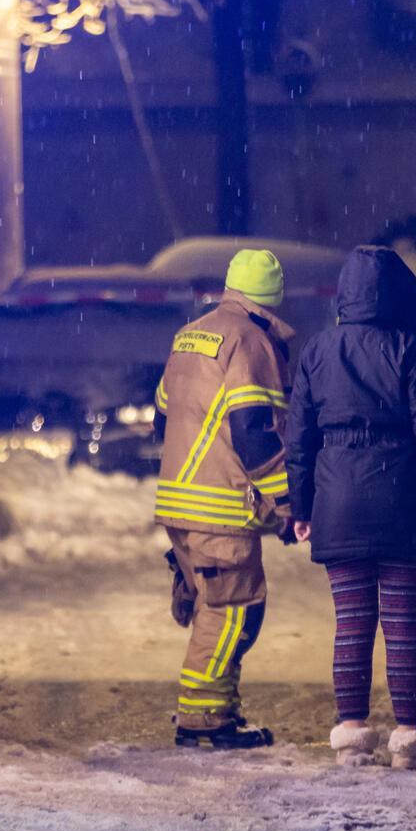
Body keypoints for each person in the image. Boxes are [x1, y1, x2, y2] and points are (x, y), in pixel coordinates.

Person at [286, 246, 416, 769]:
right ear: (403, 296)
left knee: (351, 624)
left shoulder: (317, 352)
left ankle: (351, 734)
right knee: (402, 626)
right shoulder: (413, 352)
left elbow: (299, 440)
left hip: (339, 505)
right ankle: (409, 739)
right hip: (404, 508)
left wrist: (301, 506)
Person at [152, 248, 296, 749]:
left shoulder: (193, 334)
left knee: (219, 606)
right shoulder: (251, 342)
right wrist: (288, 503)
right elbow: (256, 434)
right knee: (234, 611)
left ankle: (215, 710)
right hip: (219, 505)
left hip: (179, 500)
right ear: (272, 300)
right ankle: (205, 718)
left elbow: (162, 416)